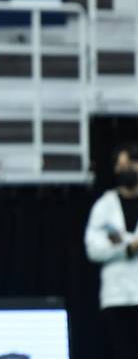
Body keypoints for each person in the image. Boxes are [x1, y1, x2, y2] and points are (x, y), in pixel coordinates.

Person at [85, 142, 138, 359]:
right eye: (122, 165)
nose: (128, 169)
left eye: (132, 163)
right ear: (116, 169)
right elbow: (93, 249)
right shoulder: (104, 206)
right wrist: (126, 248)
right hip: (116, 298)